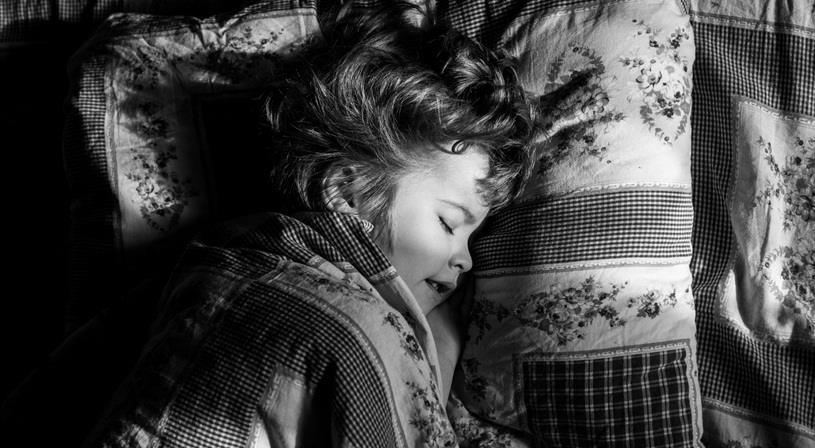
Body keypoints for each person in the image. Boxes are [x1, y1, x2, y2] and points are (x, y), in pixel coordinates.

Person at [83, 3, 536, 447]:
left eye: (472, 237)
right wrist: (443, 343)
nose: (467, 260)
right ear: (346, 193)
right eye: (449, 223)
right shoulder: (343, 321)